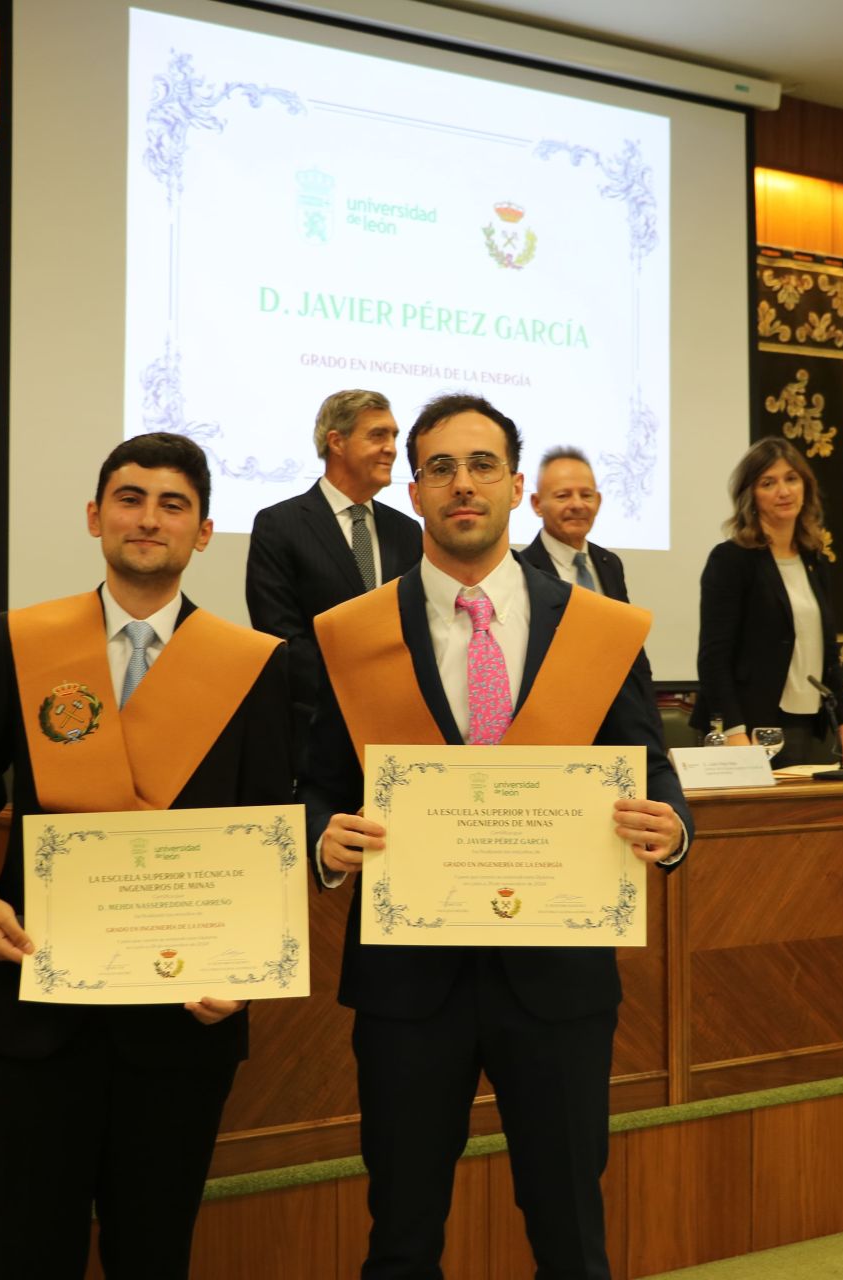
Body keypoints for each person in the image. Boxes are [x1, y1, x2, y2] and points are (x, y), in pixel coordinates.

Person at [302, 393, 691, 1279]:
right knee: (400, 1237)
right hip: (409, 986)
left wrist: (672, 830)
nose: (462, 485)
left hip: (557, 980)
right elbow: (322, 784)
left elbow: (652, 768)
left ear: (517, 486)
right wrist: (324, 841)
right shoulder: (356, 633)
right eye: (439, 467)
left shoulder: (594, 625)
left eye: (482, 466)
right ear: (413, 491)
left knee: (570, 1237)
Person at [0, 433, 293, 1279]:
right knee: (28, 1252)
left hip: (185, 1017)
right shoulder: (26, 642)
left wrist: (247, 970)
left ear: (203, 533)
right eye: (130, 498)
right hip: (37, 1010)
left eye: (172, 504)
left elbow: (272, 831)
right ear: (95, 517)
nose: (148, 519)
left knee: (153, 1252)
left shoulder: (254, 668)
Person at [244, 389, 424, 734]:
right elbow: (280, 636)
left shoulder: (407, 531)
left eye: (394, 436)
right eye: (377, 435)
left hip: (399, 722)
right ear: (336, 442)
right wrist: (352, 694)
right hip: (314, 727)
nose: (391, 447)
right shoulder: (279, 524)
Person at [693, 437, 843, 768]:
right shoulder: (731, 559)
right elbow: (713, 657)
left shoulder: (814, 560)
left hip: (805, 722)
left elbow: (829, 654)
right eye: (768, 483)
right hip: (744, 728)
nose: (783, 491)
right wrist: (734, 730)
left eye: (791, 479)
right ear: (751, 495)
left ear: (805, 487)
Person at [519, 445, 631, 602]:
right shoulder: (521, 570)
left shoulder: (610, 564)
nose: (577, 505)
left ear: (598, 501)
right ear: (537, 504)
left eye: (586, 495)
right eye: (563, 496)